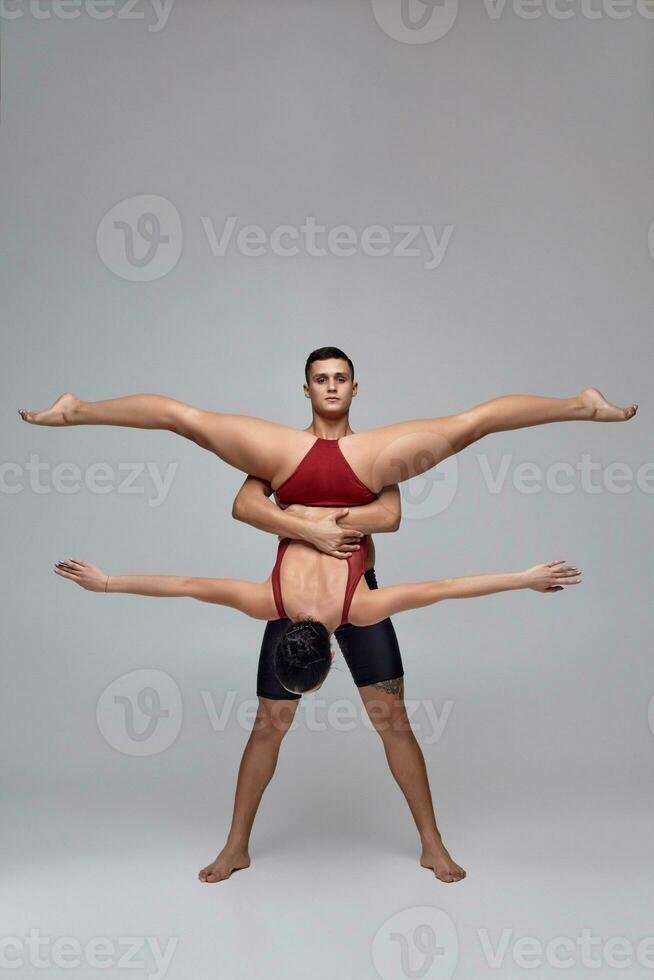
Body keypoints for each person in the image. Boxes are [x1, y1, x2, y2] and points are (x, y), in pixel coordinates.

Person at [19, 364, 636, 883]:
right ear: (307, 390)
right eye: (322, 380)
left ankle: (429, 841)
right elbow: (201, 572)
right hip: (345, 477)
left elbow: (189, 585)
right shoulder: (325, 604)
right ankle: (239, 846)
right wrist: (110, 582)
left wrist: (111, 581)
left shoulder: (275, 602)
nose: (332, 387)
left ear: (352, 388)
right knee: (467, 426)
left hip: (323, 464)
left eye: (340, 378)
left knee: (190, 421)